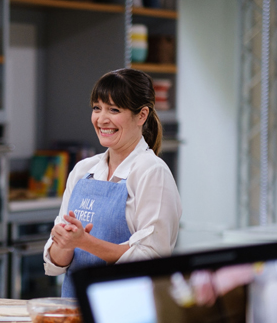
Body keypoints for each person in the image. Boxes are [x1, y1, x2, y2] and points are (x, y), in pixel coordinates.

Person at [43, 68, 182, 298]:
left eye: (114, 109)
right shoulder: (82, 171)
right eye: (97, 108)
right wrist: (66, 243)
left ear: (142, 115)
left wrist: (85, 242)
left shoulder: (151, 172)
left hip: (126, 315)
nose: (102, 119)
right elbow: (54, 265)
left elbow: (150, 259)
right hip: (74, 312)